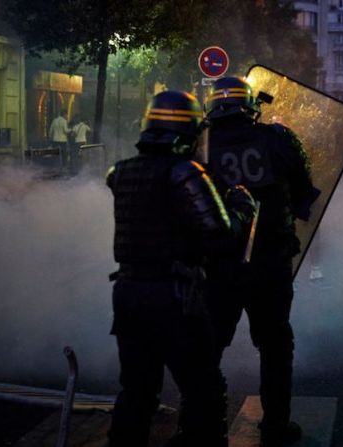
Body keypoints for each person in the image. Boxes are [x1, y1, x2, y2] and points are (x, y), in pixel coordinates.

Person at [106, 90, 256, 447]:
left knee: (137, 391)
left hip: (127, 294)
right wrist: (241, 206)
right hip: (175, 298)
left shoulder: (120, 172)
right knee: (203, 387)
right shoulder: (185, 172)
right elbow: (221, 232)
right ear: (189, 132)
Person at [203, 76, 319, 447]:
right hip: (270, 264)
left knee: (206, 348)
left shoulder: (199, 145)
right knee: (275, 346)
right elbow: (304, 195)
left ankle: (200, 427)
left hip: (217, 266)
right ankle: (275, 426)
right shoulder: (279, 139)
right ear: (250, 106)